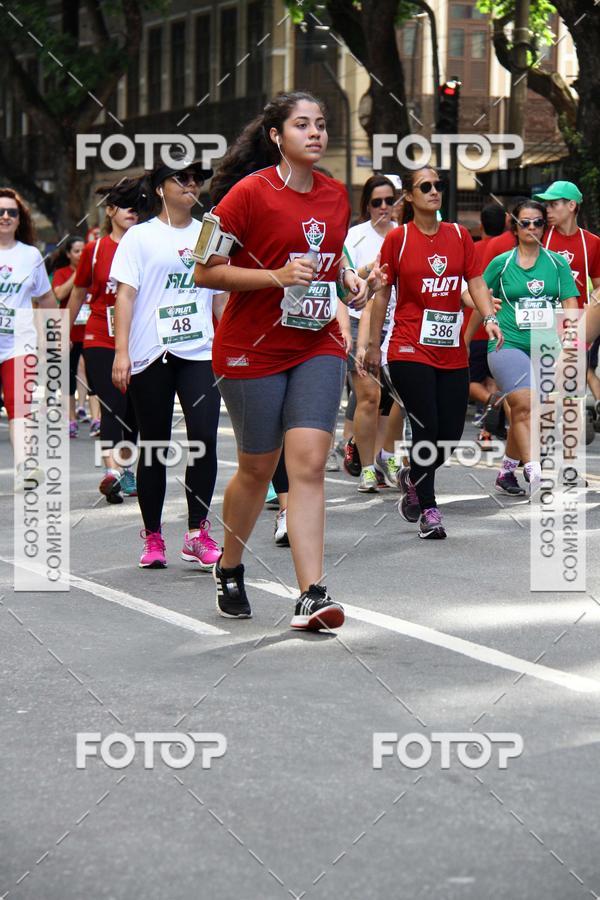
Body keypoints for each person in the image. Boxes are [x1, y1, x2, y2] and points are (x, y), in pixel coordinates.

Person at [194, 91, 380, 629]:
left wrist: (351, 284)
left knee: (308, 464)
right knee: (256, 468)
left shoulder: (334, 194)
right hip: (250, 348)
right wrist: (275, 277)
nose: (316, 133)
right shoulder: (246, 195)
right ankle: (230, 566)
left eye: (321, 125)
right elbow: (205, 271)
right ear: (277, 136)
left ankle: (312, 594)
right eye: (303, 125)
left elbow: (329, 260)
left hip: (315, 341)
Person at [364, 167, 503, 539]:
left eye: (438, 185)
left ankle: (413, 475)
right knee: (426, 424)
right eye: (425, 186)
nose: (434, 191)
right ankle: (428, 507)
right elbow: (382, 294)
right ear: (409, 195)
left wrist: (488, 316)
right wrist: (374, 345)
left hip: (451, 349)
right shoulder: (398, 239)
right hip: (409, 346)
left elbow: (474, 280)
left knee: (450, 434)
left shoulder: (458, 235)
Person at [111, 152, 226, 569]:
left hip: (198, 351)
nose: (191, 185)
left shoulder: (208, 235)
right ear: (160, 188)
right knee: (155, 445)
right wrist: (121, 352)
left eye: (196, 179)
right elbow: (125, 295)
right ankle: (154, 536)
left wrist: (230, 344)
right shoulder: (139, 237)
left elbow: (219, 295)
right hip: (150, 352)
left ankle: (197, 532)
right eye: (181, 179)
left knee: (205, 438)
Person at [480, 200, 579, 495]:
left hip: (546, 346)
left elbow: (570, 305)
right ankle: (536, 475)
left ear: (545, 227)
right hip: (506, 343)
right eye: (525, 223)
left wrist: (570, 345)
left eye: (538, 222)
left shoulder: (557, 263)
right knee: (525, 405)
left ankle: (507, 471)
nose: (532, 228)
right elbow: (473, 292)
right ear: (515, 226)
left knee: (537, 411)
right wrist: (486, 308)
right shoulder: (502, 263)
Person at [68, 181, 139, 504]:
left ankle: (127, 469)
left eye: (137, 205)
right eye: (125, 205)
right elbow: (79, 293)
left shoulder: (144, 244)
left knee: (134, 410)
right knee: (113, 403)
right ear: (109, 211)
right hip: (99, 335)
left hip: (139, 338)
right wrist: (62, 334)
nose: (132, 211)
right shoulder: (96, 251)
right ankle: (113, 472)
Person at [343, 175, 398, 492]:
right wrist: (370, 271)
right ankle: (365, 467)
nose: (383, 208)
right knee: (368, 396)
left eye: (389, 201)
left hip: (395, 325)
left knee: (393, 403)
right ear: (367, 205)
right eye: (376, 202)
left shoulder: (401, 235)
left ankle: (385, 458)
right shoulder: (356, 236)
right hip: (358, 320)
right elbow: (345, 280)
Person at [0, 188, 56, 490]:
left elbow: (45, 297)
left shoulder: (30, 255)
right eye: (0, 212)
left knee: (18, 405)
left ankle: (24, 467)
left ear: (20, 219)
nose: (6, 217)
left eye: (12, 212)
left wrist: (54, 336)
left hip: (18, 343)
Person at [533, 181, 600, 408]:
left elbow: (598, 287)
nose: (547, 210)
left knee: (569, 388)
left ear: (572, 205)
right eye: (547, 205)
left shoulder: (592, 243)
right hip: (542, 321)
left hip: (575, 323)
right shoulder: (538, 237)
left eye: (553, 204)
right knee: (541, 386)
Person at [464, 204, 506, 448]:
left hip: (477, 323)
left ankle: (492, 405)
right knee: (491, 378)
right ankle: (489, 421)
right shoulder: (506, 250)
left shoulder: (477, 248)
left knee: (468, 381)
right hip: (497, 322)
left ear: (481, 225)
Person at [51, 236, 94, 437]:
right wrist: (78, 274)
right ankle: (71, 419)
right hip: (70, 332)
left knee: (92, 374)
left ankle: (97, 418)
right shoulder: (62, 273)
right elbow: (59, 294)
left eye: (82, 250)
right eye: (76, 251)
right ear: (68, 254)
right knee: (68, 376)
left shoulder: (95, 270)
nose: (80, 254)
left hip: (91, 332)